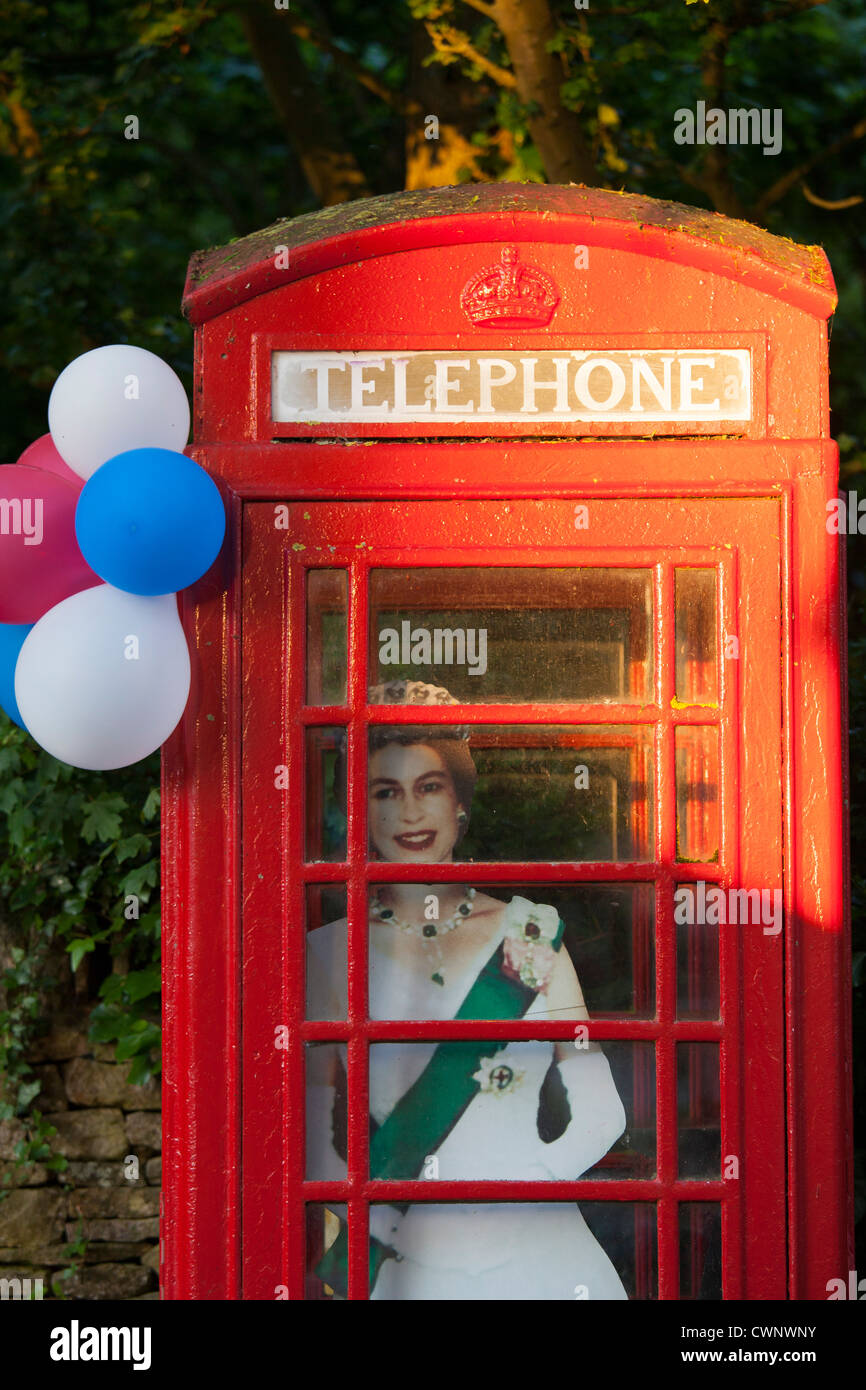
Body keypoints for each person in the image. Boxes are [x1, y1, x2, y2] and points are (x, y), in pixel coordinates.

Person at [307, 679, 628, 1299]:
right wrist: (370, 1210)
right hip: (408, 1265)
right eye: (385, 792)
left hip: (543, 1263)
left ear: (461, 805)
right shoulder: (325, 953)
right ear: (361, 810)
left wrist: (521, 1192)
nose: (409, 814)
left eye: (429, 788)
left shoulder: (529, 933)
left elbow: (603, 1112)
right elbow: (311, 1127)